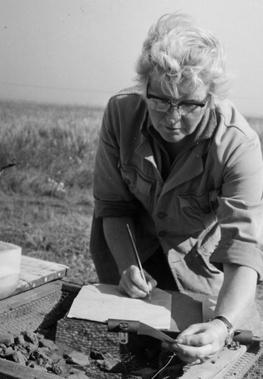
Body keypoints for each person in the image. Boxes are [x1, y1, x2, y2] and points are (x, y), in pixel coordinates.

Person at [90, 12, 263, 362]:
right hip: (132, 251)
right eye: (160, 100)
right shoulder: (121, 114)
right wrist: (127, 266)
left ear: (211, 96)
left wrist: (221, 325)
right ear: (145, 86)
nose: (172, 117)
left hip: (198, 266)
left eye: (188, 104)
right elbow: (112, 206)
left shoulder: (238, 146)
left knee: (215, 350)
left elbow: (243, 248)